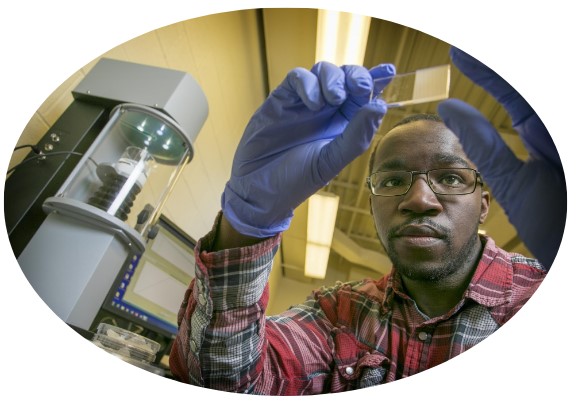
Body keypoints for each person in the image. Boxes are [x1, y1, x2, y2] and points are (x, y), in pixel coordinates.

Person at [168, 48, 562, 394]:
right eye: (392, 181)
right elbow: (229, 384)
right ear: (372, 205)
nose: (419, 200)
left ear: (484, 205)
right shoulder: (340, 313)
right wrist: (247, 223)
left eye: (450, 178)